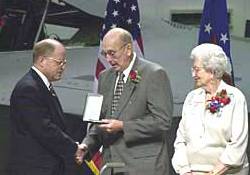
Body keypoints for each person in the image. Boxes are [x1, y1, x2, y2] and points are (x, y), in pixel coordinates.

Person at [76, 28, 173, 175]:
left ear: (128, 49)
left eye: (112, 53)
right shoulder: (105, 77)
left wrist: (123, 126)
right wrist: (87, 145)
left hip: (143, 167)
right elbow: (100, 121)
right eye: (105, 54)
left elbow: (162, 121)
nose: (108, 59)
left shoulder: (154, 74)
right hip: (110, 166)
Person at [7, 39, 83, 175]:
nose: (63, 67)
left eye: (64, 63)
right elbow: (44, 128)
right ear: (42, 61)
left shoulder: (40, 85)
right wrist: (73, 148)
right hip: (33, 168)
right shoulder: (28, 88)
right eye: (59, 62)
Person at [172, 43, 249, 175]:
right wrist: (185, 171)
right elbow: (181, 139)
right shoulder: (192, 97)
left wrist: (213, 173)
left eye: (197, 69)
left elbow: (238, 142)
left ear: (212, 71)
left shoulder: (235, 97)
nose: (193, 74)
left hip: (226, 172)